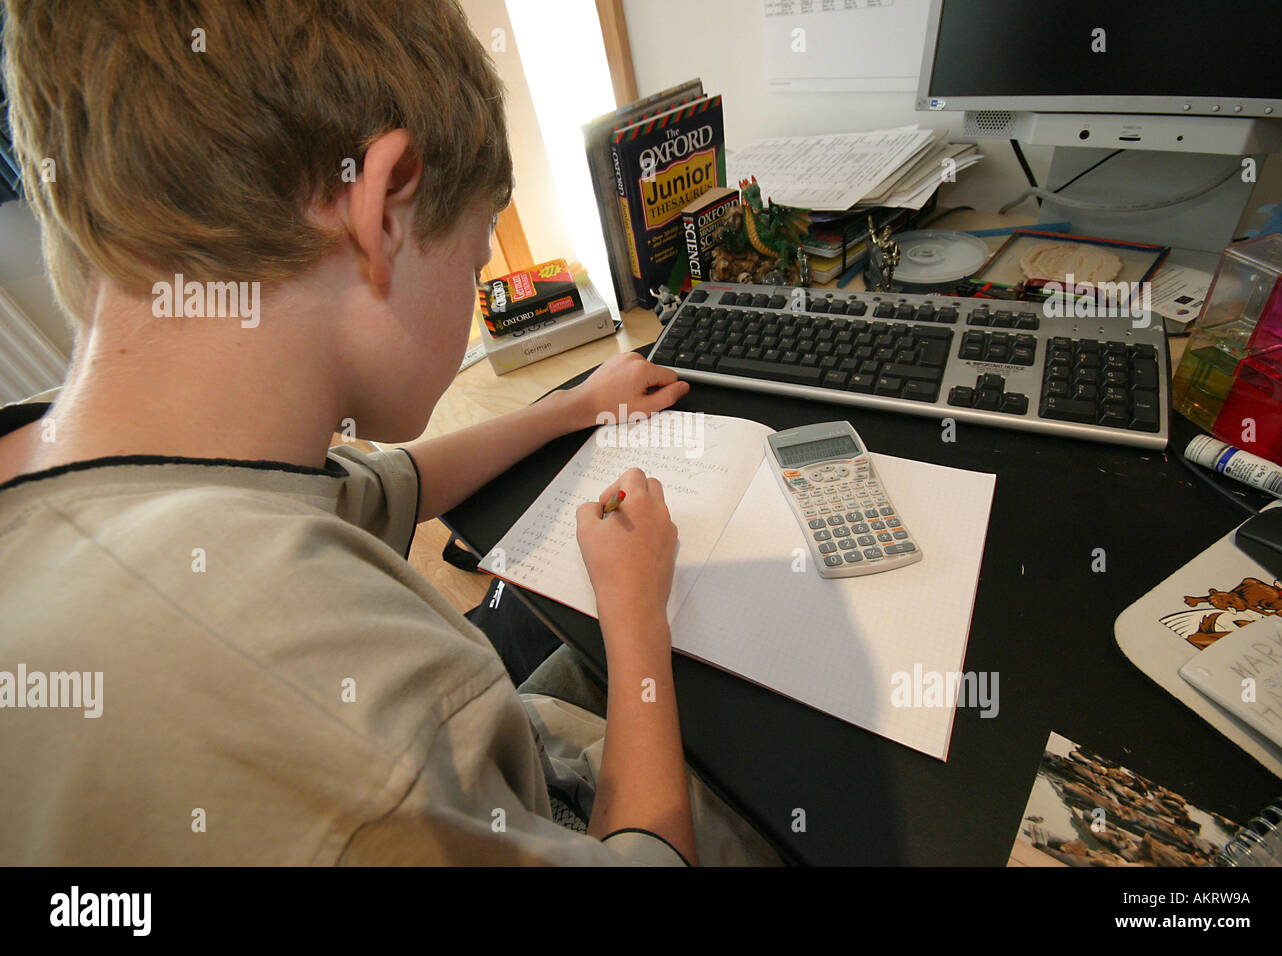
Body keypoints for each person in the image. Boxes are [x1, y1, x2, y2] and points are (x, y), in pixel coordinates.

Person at [0, 0, 777, 865]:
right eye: (482, 253)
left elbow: (373, 488)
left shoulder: (74, 448)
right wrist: (634, 613)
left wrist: (571, 406)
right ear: (384, 203)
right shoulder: (345, 726)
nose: (477, 282)